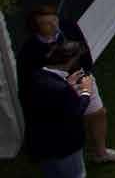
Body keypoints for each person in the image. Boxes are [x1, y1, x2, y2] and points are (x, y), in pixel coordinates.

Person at [17, 8, 115, 166]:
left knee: (98, 113)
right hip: (56, 89)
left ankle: (101, 153)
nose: (54, 25)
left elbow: (83, 48)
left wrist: (86, 72)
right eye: (46, 23)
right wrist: (66, 85)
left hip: (80, 77)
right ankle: (71, 157)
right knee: (72, 120)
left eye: (54, 20)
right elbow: (31, 80)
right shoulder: (29, 50)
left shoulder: (68, 26)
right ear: (35, 28)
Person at [22, 40, 99, 175]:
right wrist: (86, 91)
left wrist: (67, 83)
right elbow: (76, 112)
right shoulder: (60, 89)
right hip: (64, 146)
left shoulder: (35, 76)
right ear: (71, 60)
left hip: (41, 144)